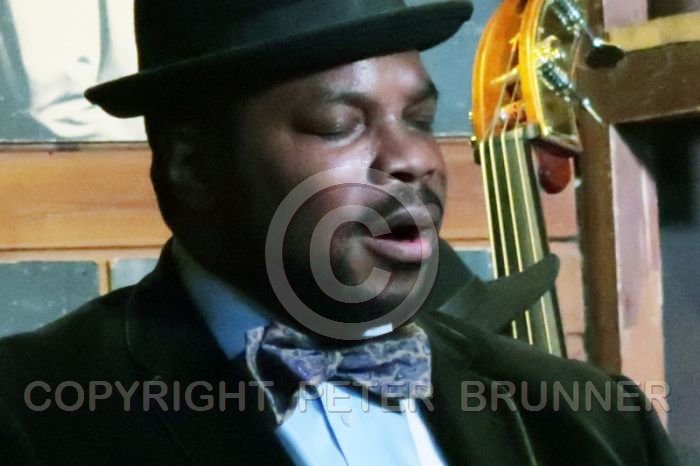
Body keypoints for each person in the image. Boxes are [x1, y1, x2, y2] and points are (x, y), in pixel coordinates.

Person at [0, 1, 677, 464]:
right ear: (193, 168)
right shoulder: (30, 419)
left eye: (419, 119)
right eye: (340, 125)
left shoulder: (597, 422)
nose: (412, 159)